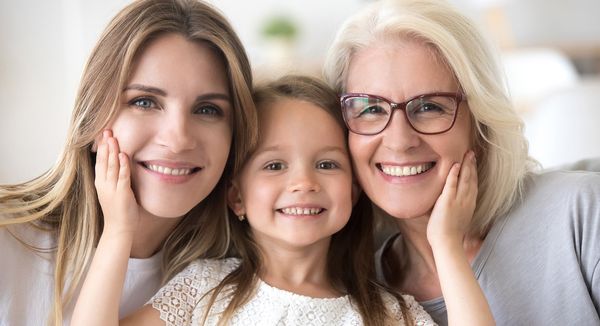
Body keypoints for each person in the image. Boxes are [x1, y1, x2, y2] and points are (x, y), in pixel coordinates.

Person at [70, 75, 494, 325]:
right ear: (236, 196)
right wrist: (118, 231)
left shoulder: (388, 313)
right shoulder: (205, 291)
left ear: (356, 189)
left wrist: (447, 247)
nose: (303, 183)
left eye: (327, 165)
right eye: (274, 166)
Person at [323, 0, 600, 325]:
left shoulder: (581, 213)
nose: (399, 141)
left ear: (481, 123)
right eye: (371, 109)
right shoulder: (356, 298)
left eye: (429, 107)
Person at [0, 0, 257, 325]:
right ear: (92, 119)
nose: (178, 140)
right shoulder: (7, 235)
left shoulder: (232, 281)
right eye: (145, 102)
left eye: (207, 109)